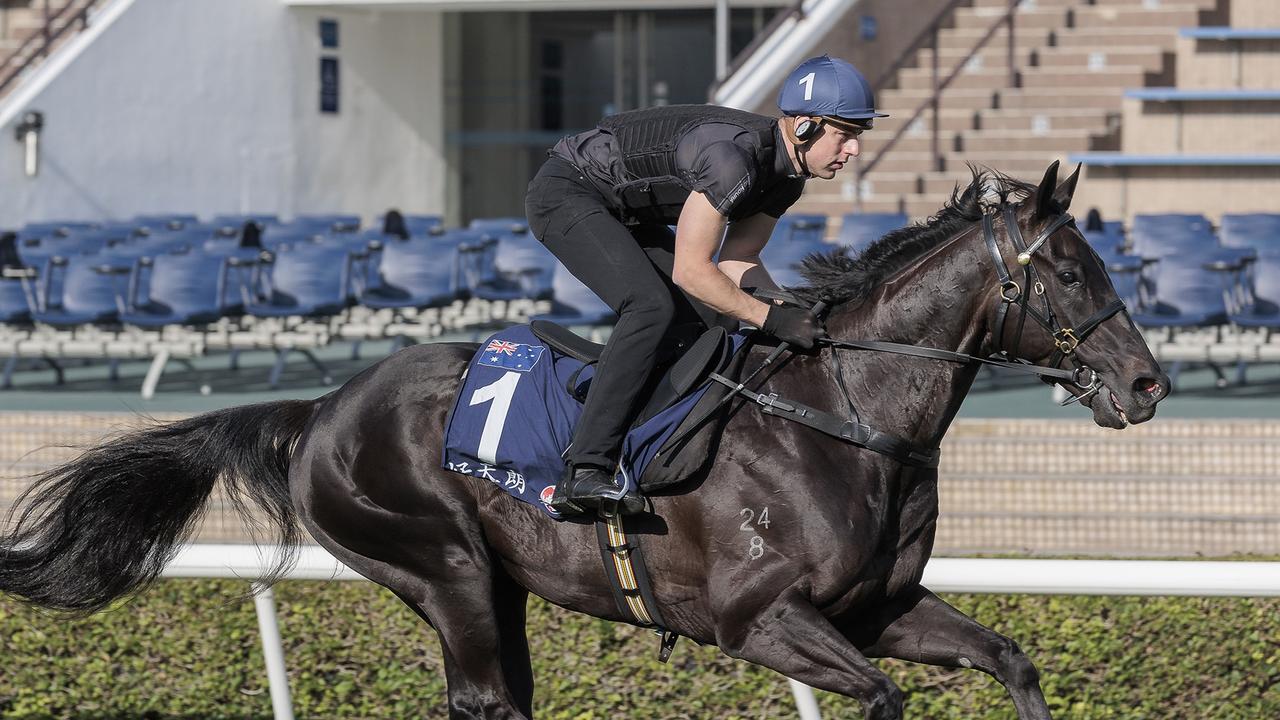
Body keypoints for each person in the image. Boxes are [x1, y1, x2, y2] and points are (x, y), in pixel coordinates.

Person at [524, 55, 886, 516]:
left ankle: (641, 430)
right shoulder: (732, 160)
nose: (854, 150)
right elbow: (692, 271)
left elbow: (738, 261)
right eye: (846, 134)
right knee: (652, 306)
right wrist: (771, 318)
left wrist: (790, 307)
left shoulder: (787, 179)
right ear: (805, 128)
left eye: (858, 136)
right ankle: (586, 469)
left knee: (712, 317)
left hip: (630, 212)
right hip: (569, 191)